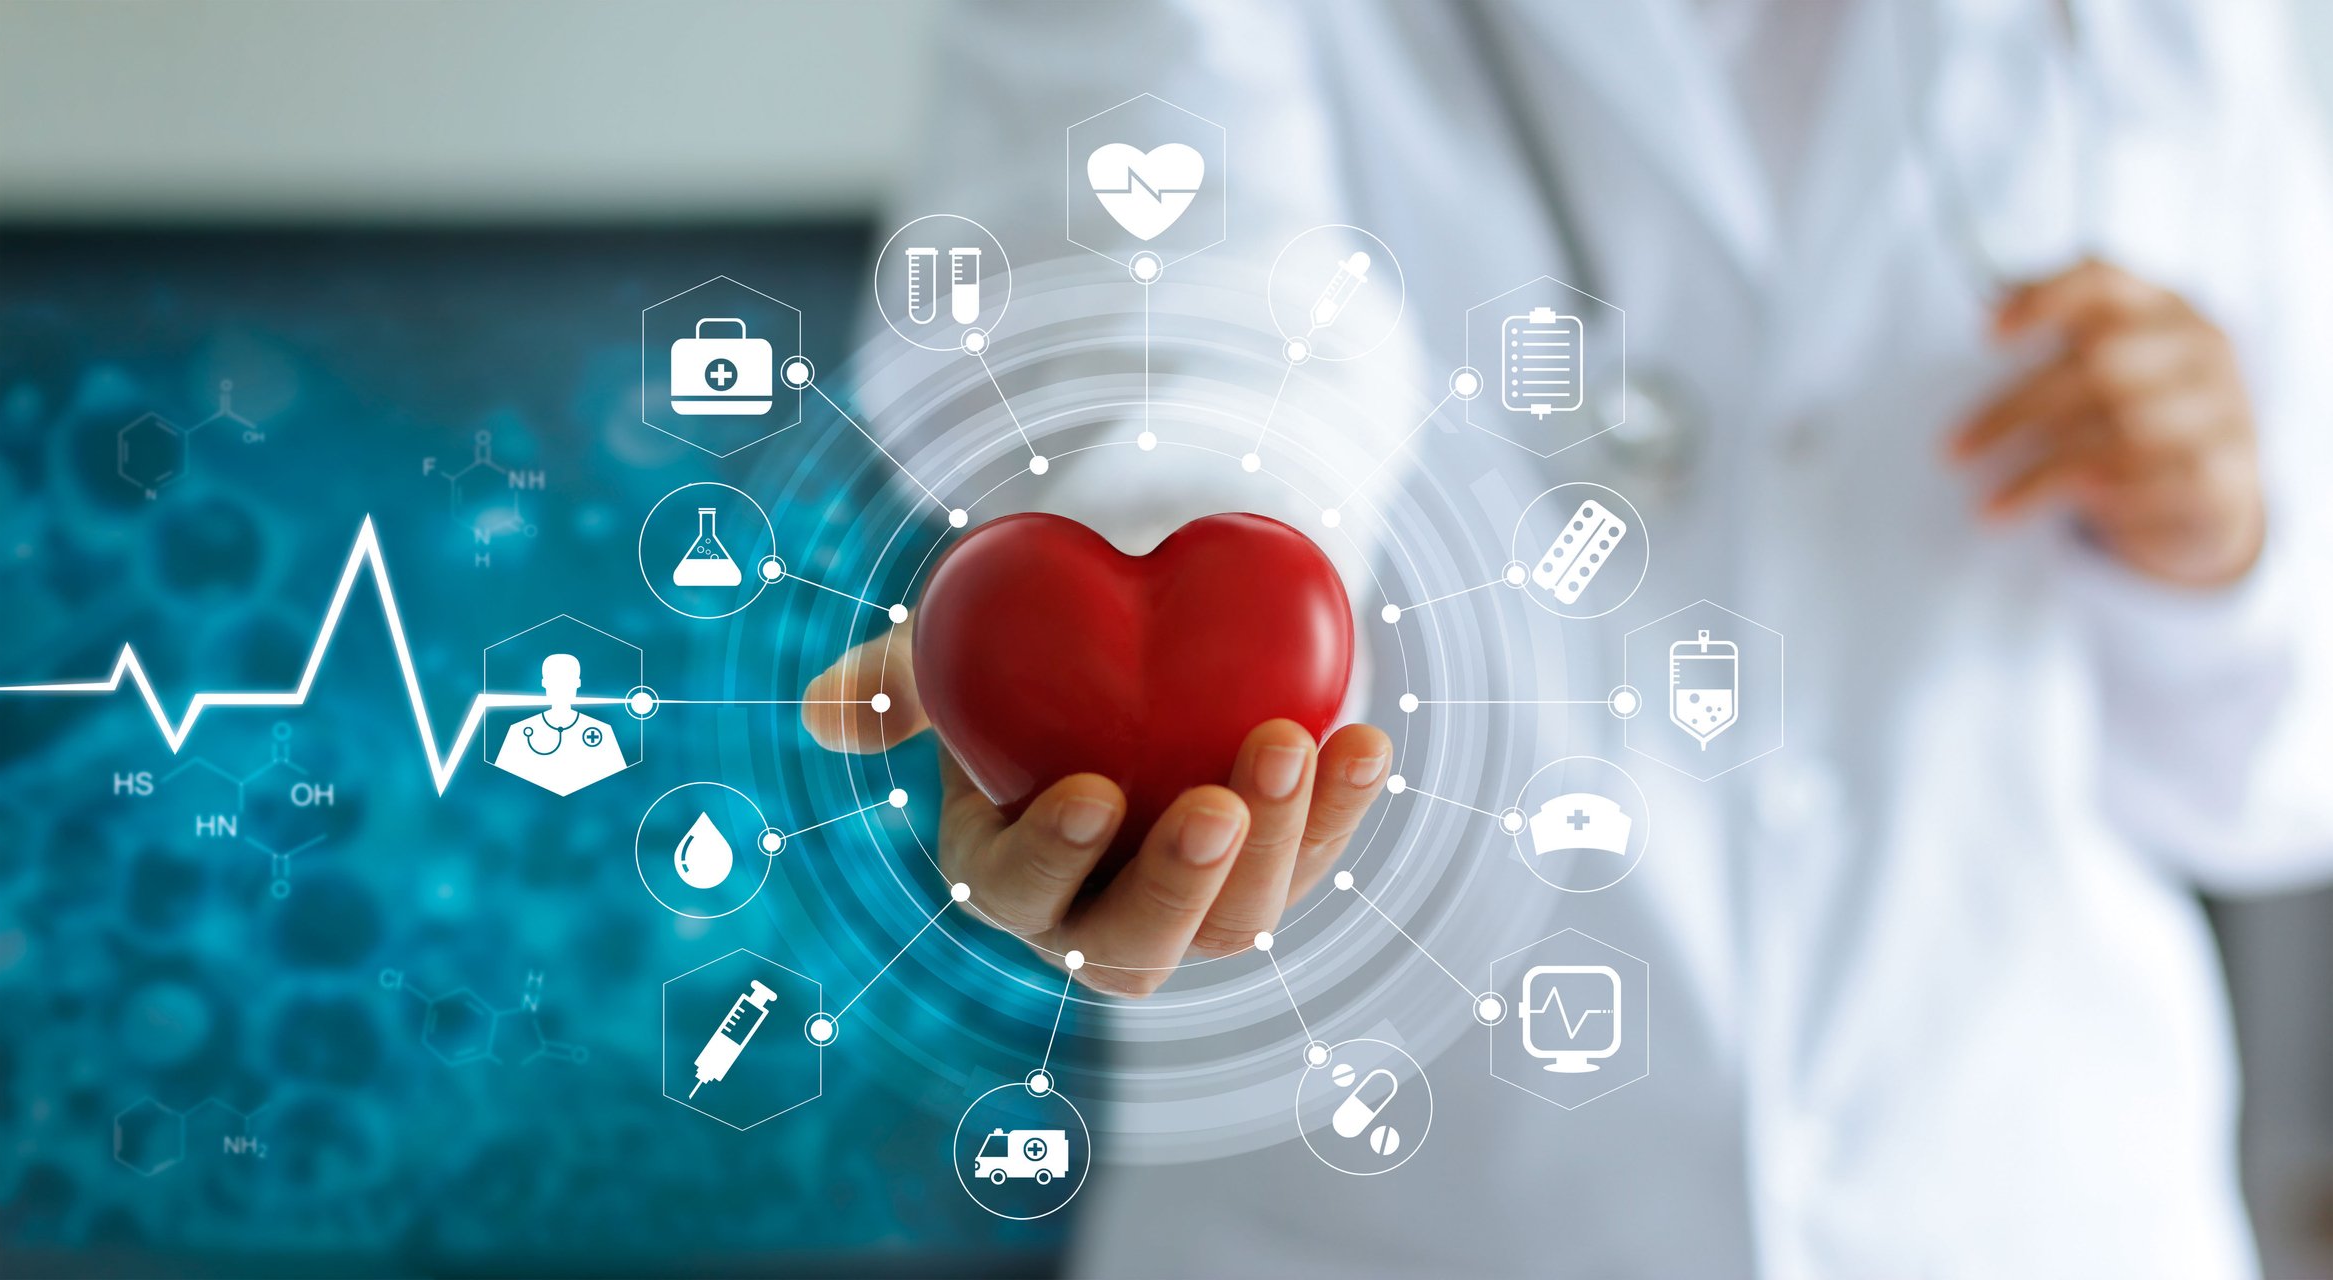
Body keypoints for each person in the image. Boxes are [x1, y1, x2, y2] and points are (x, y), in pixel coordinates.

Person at [809, 2, 2333, 1274]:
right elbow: (1167, 315)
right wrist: (1134, 589)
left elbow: (2268, 795)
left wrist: (2219, 553)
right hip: (1400, 1215)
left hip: (2037, 1203)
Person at [494, 653, 626, 796]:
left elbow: (614, 786)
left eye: (567, 680)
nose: (562, 688)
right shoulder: (519, 732)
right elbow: (506, 786)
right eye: (556, 681)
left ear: (578, 682)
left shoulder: (600, 732)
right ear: (544, 683)